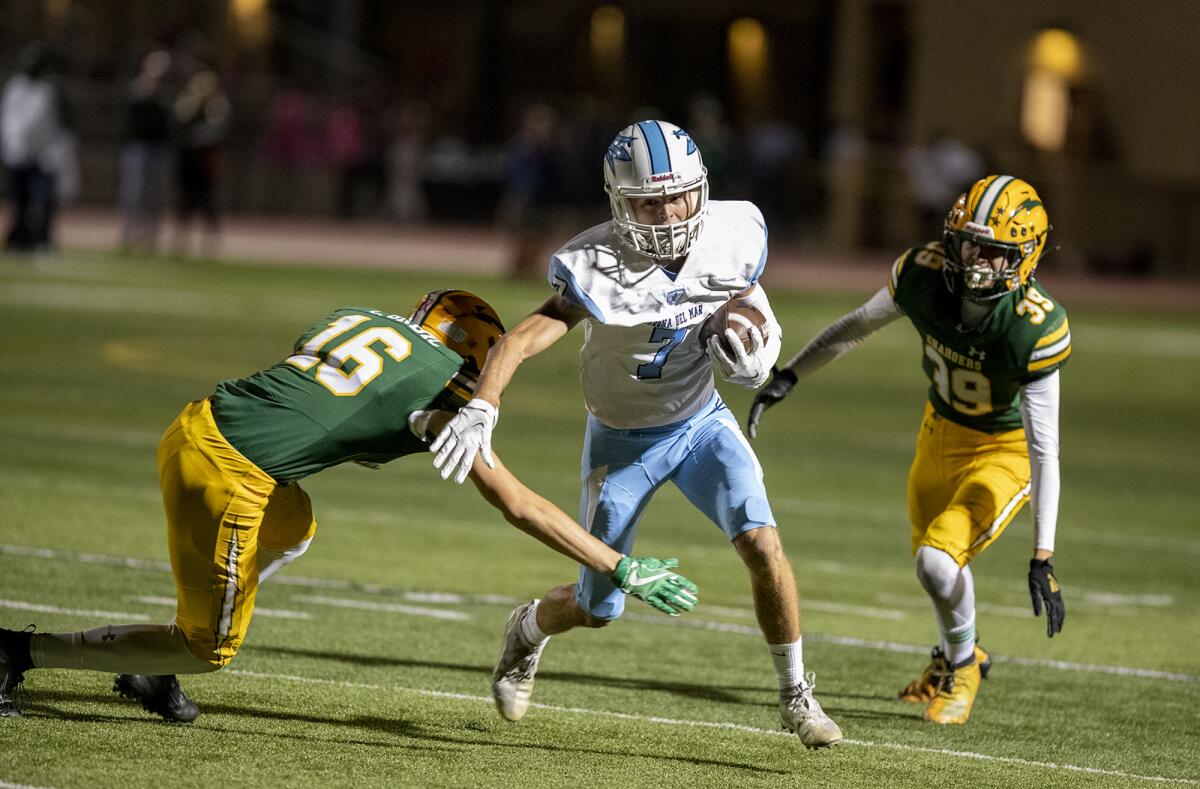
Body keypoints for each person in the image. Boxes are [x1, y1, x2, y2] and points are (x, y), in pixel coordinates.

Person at [0, 290, 699, 722]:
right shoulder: (444, 391)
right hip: (228, 472)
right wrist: (617, 563)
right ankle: (22, 653)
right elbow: (515, 502)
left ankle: (164, 642)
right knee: (207, 649)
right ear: (474, 359)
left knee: (295, 524)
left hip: (196, 423)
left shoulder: (356, 319)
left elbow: (312, 393)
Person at [431, 120, 843, 749]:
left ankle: (795, 695)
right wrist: (485, 403)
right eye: (649, 200)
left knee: (762, 543)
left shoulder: (732, 232)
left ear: (700, 188)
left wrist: (761, 345)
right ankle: (530, 629)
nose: (669, 211)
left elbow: (750, 299)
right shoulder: (595, 264)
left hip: (702, 422)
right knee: (598, 609)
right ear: (620, 203)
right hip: (622, 443)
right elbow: (520, 338)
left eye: (678, 195)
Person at [748, 175, 1069, 725]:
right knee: (937, 572)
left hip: (1003, 450)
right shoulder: (924, 275)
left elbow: (1045, 448)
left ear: (1026, 257)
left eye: (994, 252)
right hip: (938, 432)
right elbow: (857, 325)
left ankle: (963, 668)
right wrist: (791, 374)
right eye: (970, 243)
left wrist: (1044, 553)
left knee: (937, 563)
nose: (976, 260)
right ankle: (954, 655)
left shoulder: (1031, 326)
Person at [2, 41, 71, 254]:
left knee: (44, 201)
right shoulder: (14, 88)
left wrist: (56, 151)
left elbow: (56, 124)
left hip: (43, 156)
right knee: (19, 202)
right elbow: (8, 122)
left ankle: (43, 239)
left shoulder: (49, 90)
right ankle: (19, 239)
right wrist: (11, 148)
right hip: (18, 156)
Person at [118, 50, 175, 254]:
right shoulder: (139, 89)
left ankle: (151, 238)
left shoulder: (166, 94)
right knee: (134, 194)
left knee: (155, 196)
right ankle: (129, 236)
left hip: (159, 149)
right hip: (139, 148)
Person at [171, 70, 229, 257]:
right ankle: (181, 238)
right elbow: (179, 128)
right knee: (185, 201)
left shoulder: (216, 107)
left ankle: (211, 240)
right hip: (188, 162)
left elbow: (216, 133)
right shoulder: (186, 105)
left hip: (205, 163)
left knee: (208, 201)